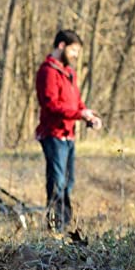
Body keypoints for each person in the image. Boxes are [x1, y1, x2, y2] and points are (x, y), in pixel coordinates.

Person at [34, 29, 103, 230]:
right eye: (73, 51)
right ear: (62, 46)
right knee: (58, 183)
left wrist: (88, 115)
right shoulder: (48, 71)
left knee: (68, 182)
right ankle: (56, 228)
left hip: (69, 135)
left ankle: (62, 226)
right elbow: (51, 105)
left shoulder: (69, 73)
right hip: (52, 135)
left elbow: (76, 103)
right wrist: (78, 114)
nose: (75, 56)